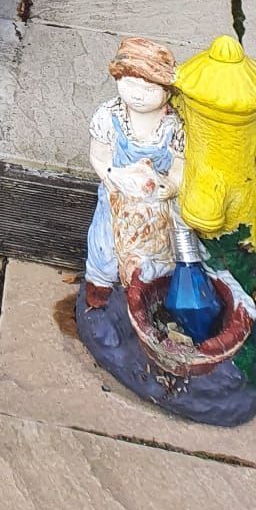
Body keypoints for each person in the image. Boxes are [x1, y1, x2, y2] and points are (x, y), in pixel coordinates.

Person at [84, 35, 185, 308]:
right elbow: (99, 155)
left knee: (161, 250)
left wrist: (172, 185)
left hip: (156, 204)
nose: (138, 94)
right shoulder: (109, 116)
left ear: (167, 90)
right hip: (118, 196)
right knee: (105, 243)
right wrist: (113, 176)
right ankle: (100, 283)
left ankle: (153, 290)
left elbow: (179, 165)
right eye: (129, 83)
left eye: (149, 88)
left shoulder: (173, 126)